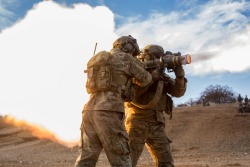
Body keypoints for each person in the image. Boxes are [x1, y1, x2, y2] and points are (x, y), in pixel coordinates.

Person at [74, 35, 153, 167]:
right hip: (109, 110)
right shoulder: (126, 58)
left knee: (86, 158)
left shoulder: (100, 58)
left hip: (89, 110)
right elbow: (145, 79)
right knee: (120, 156)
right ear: (129, 47)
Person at [125, 45, 188, 167]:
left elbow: (178, 92)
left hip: (157, 124)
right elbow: (132, 95)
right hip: (137, 122)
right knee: (128, 161)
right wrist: (152, 77)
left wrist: (179, 75)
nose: (161, 60)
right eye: (158, 57)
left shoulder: (163, 78)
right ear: (147, 57)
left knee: (166, 162)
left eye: (162, 57)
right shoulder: (137, 74)